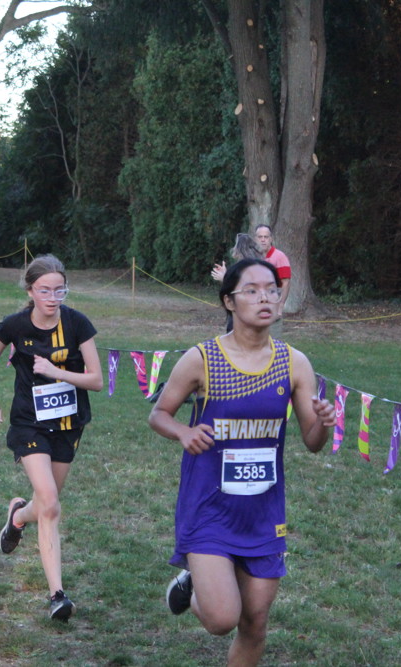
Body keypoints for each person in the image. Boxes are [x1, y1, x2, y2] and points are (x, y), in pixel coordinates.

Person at [148, 257, 335, 667]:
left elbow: (312, 442)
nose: (265, 298)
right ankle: (194, 585)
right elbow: (159, 414)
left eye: (271, 290)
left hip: (263, 512)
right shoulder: (203, 358)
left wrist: (324, 424)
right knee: (221, 619)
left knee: (255, 623)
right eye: (251, 290)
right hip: (209, 507)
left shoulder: (294, 362)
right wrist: (183, 432)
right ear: (229, 302)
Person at [0, 254, 102, 622]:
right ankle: (57, 596)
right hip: (28, 424)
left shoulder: (78, 323)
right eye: (45, 290)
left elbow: (96, 380)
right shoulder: (15, 325)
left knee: (46, 504)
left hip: (68, 424)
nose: (52, 297)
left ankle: (18, 516)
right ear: (30, 290)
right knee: (49, 501)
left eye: (59, 290)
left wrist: (56, 371)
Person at [211, 233, 263, 332]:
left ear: (239, 250)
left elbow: (240, 287)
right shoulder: (258, 265)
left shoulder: (244, 267)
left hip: (243, 311)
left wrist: (224, 278)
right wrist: (226, 274)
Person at [253, 225, 291, 323]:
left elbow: (285, 283)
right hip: (256, 306)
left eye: (266, 237)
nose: (263, 240)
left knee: (273, 332)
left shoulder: (280, 257)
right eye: (260, 237)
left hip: (273, 305)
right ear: (255, 239)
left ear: (271, 239)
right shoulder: (253, 257)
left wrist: (280, 306)